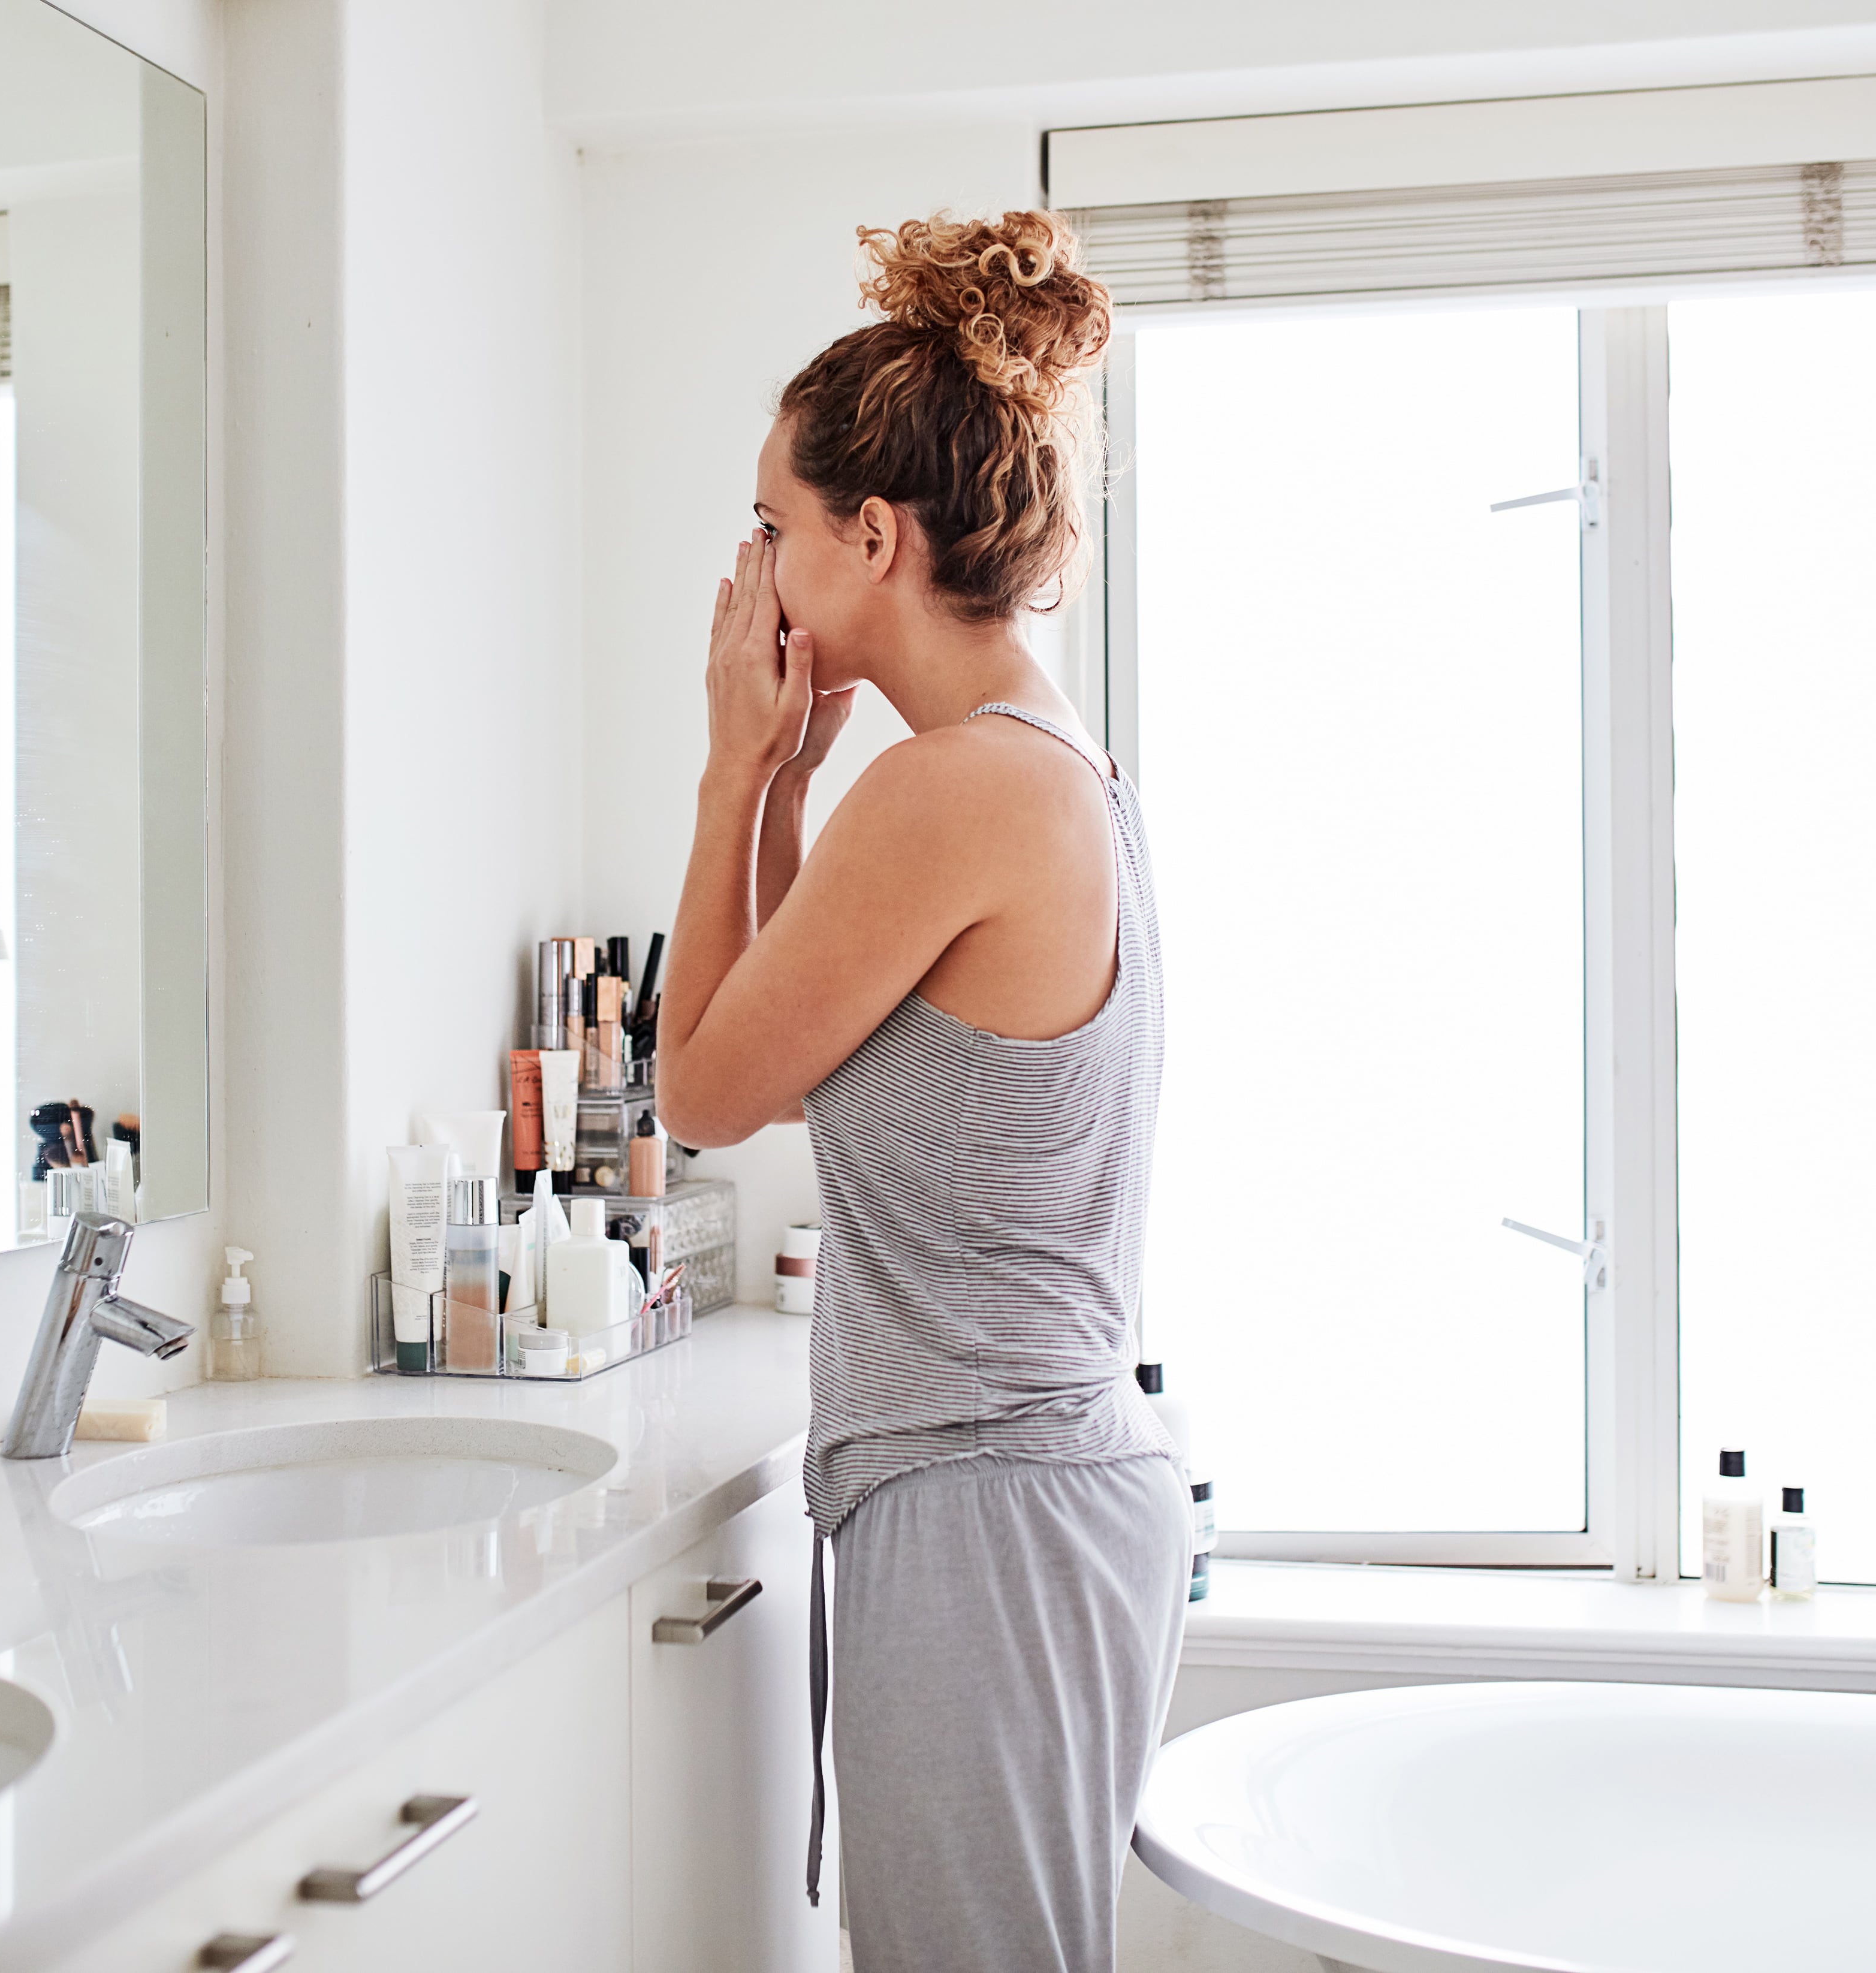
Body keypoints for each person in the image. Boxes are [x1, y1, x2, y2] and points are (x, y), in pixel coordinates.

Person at [652, 211, 1183, 1972]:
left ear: (872, 536)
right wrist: (788, 780)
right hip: (1027, 1485)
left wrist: (736, 773)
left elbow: (704, 1094)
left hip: (987, 1505)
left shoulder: (951, 789)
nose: (754, 571)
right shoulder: (1038, 766)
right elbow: (807, 1074)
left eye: (772, 528)